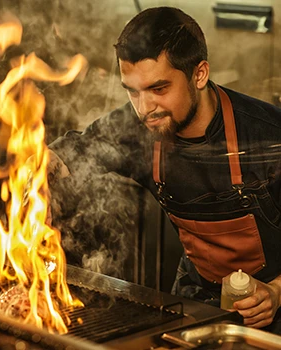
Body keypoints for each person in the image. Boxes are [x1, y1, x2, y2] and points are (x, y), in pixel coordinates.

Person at [48, 6, 281, 334]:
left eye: (159, 89)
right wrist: (29, 169)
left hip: (271, 306)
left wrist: (275, 291)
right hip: (197, 297)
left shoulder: (268, 135)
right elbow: (70, 156)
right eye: (132, 91)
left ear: (199, 75)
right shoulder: (135, 129)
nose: (144, 109)